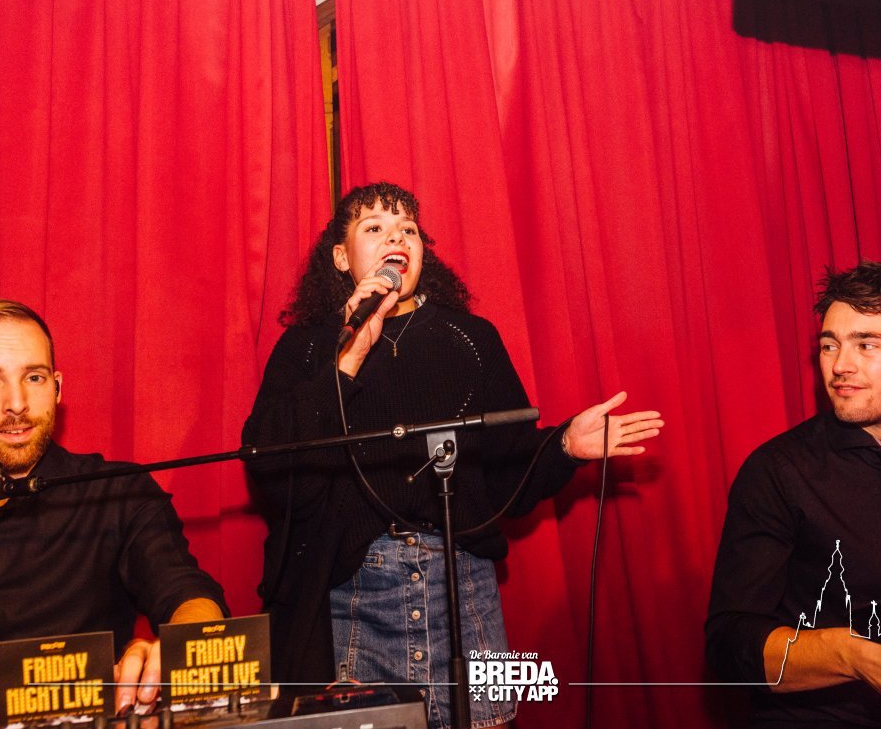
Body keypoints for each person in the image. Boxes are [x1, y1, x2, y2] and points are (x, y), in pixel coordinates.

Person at [243, 181, 663, 729]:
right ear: (342, 257)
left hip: (467, 591)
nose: (397, 238)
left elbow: (509, 476)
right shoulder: (305, 347)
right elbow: (270, 466)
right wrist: (347, 356)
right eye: (375, 228)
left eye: (409, 230)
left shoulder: (471, 338)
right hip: (355, 598)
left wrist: (565, 446)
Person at [705, 262, 881, 728]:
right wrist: (856, 656)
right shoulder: (779, 471)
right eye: (829, 345)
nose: (840, 365)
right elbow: (729, 644)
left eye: (867, 344)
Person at [0, 300, 228, 721]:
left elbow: (187, 593)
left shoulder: (115, 493)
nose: (17, 403)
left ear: (57, 387)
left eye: (34, 377)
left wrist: (179, 646)